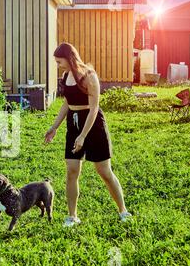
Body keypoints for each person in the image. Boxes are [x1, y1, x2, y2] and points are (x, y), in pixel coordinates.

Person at [44, 42, 132, 227]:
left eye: (59, 61)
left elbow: (94, 109)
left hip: (93, 126)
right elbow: (67, 104)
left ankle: (123, 211)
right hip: (73, 123)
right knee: (71, 171)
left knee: (104, 172)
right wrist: (54, 127)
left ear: (69, 58)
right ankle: (72, 216)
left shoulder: (89, 76)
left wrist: (83, 135)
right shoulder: (66, 75)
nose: (57, 65)